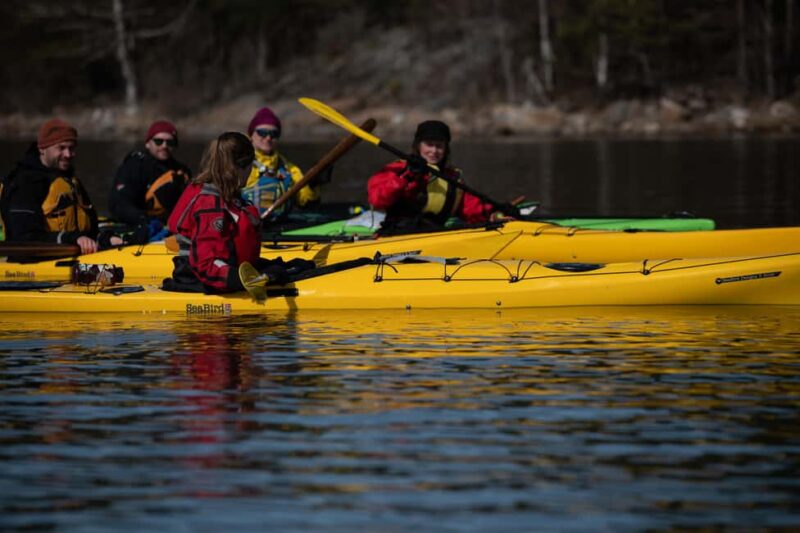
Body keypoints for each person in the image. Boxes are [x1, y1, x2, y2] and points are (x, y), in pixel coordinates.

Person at [164, 131, 314, 294]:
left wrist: (278, 267)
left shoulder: (232, 200)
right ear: (243, 167)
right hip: (201, 280)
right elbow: (207, 264)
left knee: (285, 268)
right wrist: (249, 280)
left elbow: (231, 254)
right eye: (251, 165)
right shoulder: (212, 207)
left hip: (228, 272)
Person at [0, 118, 121, 254]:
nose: (68, 154)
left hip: (73, 255)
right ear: (42, 149)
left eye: (71, 148)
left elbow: (91, 230)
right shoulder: (25, 183)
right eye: (61, 148)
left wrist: (105, 238)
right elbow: (23, 237)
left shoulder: (70, 181)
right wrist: (72, 239)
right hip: (33, 263)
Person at [367, 120, 499, 232]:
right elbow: (377, 200)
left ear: (446, 149)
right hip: (397, 236)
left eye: (439, 146)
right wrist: (408, 176)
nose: (434, 151)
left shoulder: (452, 177)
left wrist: (495, 214)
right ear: (418, 146)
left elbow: (471, 209)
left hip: (435, 236)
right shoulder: (398, 169)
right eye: (429, 145)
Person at [109, 120, 191, 238]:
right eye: (158, 141)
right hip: (141, 225)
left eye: (170, 142)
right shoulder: (135, 166)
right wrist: (144, 219)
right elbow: (118, 203)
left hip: (170, 227)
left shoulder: (182, 172)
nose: (164, 146)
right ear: (148, 143)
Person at [241, 106, 324, 219]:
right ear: (251, 135)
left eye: (273, 133)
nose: (268, 137)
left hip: (277, 226)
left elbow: (305, 202)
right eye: (262, 132)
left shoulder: (289, 168)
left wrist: (313, 185)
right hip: (246, 224)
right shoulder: (240, 163)